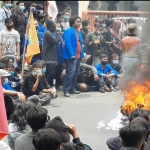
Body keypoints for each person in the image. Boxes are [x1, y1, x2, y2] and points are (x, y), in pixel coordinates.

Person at [62, 16, 84, 97]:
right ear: (73, 22)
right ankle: (66, 90)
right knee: (70, 73)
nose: (79, 23)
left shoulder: (78, 32)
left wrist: (82, 54)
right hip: (70, 56)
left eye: (80, 22)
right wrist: (72, 54)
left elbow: (81, 44)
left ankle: (72, 88)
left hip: (78, 56)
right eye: (77, 21)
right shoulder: (69, 31)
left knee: (76, 72)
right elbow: (68, 43)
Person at [42, 19, 60, 86]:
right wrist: (58, 33)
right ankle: (47, 86)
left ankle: (47, 86)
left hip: (51, 57)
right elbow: (56, 42)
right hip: (48, 57)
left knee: (50, 73)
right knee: (50, 73)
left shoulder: (50, 33)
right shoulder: (47, 33)